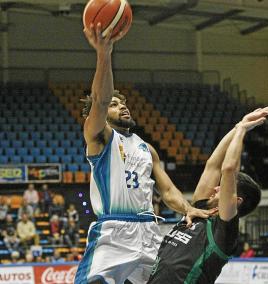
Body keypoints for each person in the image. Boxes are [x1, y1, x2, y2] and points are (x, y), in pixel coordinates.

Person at [74, 23, 213, 284]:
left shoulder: (146, 148)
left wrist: (188, 209)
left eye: (123, 103)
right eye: (115, 105)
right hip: (113, 232)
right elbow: (100, 100)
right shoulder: (100, 138)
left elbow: (169, 192)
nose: (122, 107)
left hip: (149, 230)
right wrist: (104, 54)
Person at [147, 106, 268, 284]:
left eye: (221, 187)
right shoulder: (199, 208)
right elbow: (213, 165)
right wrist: (240, 124)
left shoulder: (224, 230)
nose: (215, 188)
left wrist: (242, 131)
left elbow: (228, 168)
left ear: (236, 201)